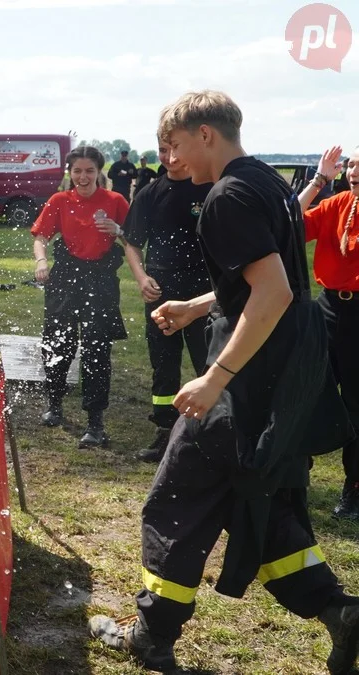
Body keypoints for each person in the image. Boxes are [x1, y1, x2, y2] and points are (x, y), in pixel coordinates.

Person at [89, 90, 358, 675]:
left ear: (206, 134)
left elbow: (276, 292)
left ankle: (151, 637)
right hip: (283, 376)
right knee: (252, 498)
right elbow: (264, 278)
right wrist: (197, 305)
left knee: (173, 502)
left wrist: (214, 378)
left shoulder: (225, 199)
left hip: (244, 388)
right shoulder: (268, 184)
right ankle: (340, 612)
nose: (172, 160)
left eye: (177, 145)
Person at [32, 145, 130, 448]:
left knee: (96, 351)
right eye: (77, 171)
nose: (83, 177)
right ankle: (55, 404)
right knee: (58, 342)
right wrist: (42, 261)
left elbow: (133, 240)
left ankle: (95, 421)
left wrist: (117, 228)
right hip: (65, 281)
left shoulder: (115, 201)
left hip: (100, 282)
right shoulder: (59, 201)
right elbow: (41, 237)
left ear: (98, 171)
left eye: (89, 171)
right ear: (69, 172)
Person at [122, 137, 213, 463]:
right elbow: (131, 243)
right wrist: (142, 277)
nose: (170, 157)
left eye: (175, 148)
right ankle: (165, 432)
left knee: (209, 360)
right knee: (164, 364)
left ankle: (210, 433)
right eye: (163, 150)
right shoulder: (149, 195)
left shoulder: (210, 189)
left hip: (205, 294)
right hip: (162, 294)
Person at [296, 144, 359, 520]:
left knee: (355, 405)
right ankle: (295, 476)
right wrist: (319, 181)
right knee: (306, 392)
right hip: (329, 308)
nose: (354, 173)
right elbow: (290, 222)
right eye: (352, 166)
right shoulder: (336, 204)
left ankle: (353, 488)